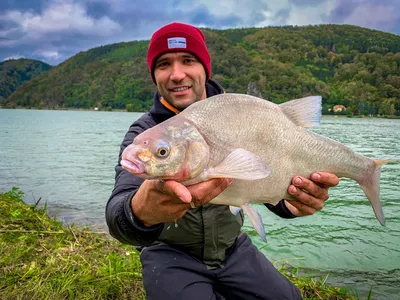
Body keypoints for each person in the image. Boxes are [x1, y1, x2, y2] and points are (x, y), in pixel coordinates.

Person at [105, 22, 339, 300]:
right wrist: (141, 210)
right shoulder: (144, 135)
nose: (177, 74)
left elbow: (265, 180)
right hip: (168, 253)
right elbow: (118, 215)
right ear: (154, 75)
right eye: (164, 64)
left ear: (205, 67)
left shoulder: (241, 115)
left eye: (188, 60)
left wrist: (294, 201)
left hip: (232, 248)